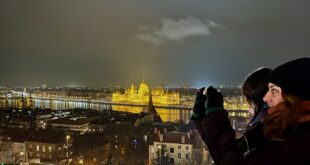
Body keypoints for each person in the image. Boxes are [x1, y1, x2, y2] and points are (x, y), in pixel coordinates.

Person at [192, 57, 310, 165]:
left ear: (295, 98)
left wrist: (215, 117)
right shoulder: (278, 130)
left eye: (274, 91)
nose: (266, 98)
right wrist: (203, 121)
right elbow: (230, 154)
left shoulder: (298, 143)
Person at [192, 68, 272, 158]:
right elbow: (227, 151)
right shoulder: (271, 129)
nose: (249, 110)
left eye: (251, 104)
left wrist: (214, 115)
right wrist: (202, 120)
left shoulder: (264, 134)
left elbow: (230, 158)